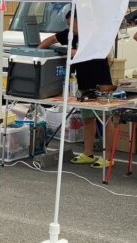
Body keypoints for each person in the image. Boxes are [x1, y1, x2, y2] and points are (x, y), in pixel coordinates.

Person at [41, 10, 113, 168]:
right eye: (68, 25)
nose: (70, 28)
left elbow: (91, 53)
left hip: (101, 81)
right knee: (88, 118)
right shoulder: (70, 34)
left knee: (105, 119)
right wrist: (39, 51)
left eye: (71, 24)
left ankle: (108, 158)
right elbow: (52, 39)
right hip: (83, 82)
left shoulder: (95, 33)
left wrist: (69, 52)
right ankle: (88, 153)